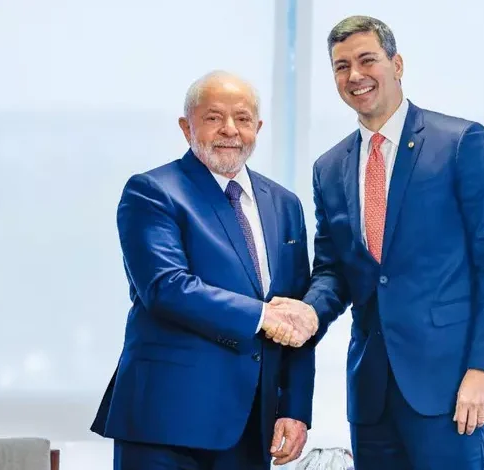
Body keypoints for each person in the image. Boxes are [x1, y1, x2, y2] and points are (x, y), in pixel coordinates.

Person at [272, 15, 484, 469]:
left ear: (397, 64)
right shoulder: (330, 168)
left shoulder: (462, 143)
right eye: (341, 66)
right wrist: (309, 311)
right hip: (371, 394)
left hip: (453, 388)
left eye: (367, 60)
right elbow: (334, 270)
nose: (355, 76)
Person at [90, 70, 319, 470]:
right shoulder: (152, 191)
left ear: (258, 128)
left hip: (252, 423)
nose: (230, 129)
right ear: (186, 126)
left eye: (243, 119)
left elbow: (295, 314)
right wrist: (263, 316)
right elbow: (166, 287)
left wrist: (295, 408)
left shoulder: (285, 203)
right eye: (214, 117)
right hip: (167, 420)